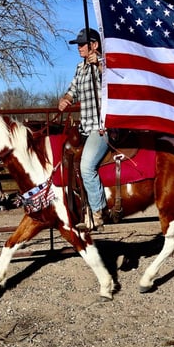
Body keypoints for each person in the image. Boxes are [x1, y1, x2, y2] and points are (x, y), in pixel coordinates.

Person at [58, 27, 109, 230]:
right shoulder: (80, 68)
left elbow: (110, 81)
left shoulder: (105, 65)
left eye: (82, 44)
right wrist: (66, 100)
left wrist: (99, 65)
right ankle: (77, 208)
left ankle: (98, 212)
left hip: (102, 127)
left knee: (86, 167)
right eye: (78, 44)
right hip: (84, 127)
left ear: (94, 45)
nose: (79, 47)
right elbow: (73, 90)